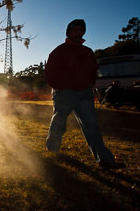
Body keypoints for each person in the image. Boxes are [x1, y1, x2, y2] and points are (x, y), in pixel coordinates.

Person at [45, 19, 125, 169]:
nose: (78, 32)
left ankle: (104, 159)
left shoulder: (87, 51)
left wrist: (90, 83)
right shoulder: (59, 51)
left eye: (81, 30)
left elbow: (93, 68)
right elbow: (49, 72)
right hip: (65, 93)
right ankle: (52, 152)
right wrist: (59, 87)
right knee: (59, 122)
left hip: (84, 93)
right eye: (75, 30)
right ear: (68, 32)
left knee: (91, 125)